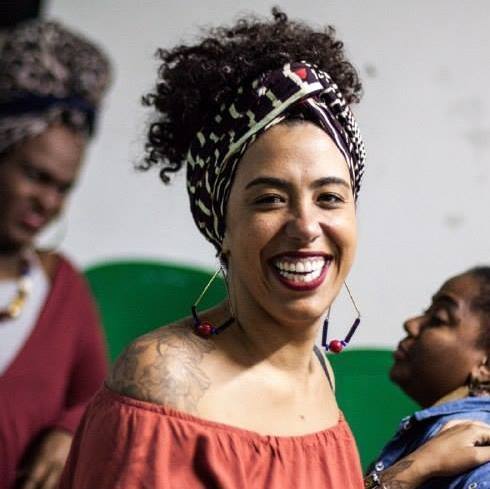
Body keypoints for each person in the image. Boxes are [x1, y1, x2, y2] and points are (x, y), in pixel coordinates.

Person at [59, 9, 490, 489]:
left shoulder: (318, 374)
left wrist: (404, 474)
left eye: (329, 198)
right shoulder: (165, 382)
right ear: (222, 225)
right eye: (269, 199)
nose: (306, 227)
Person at [0, 20, 111, 489]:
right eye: (35, 176)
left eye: (63, 188)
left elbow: (99, 399)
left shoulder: (63, 289)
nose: (48, 202)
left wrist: (68, 433)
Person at [368, 267, 490, 488]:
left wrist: (417, 467)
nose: (411, 324)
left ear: (487, 366)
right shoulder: (439, 438)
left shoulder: (474, 450)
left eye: (437, 318)